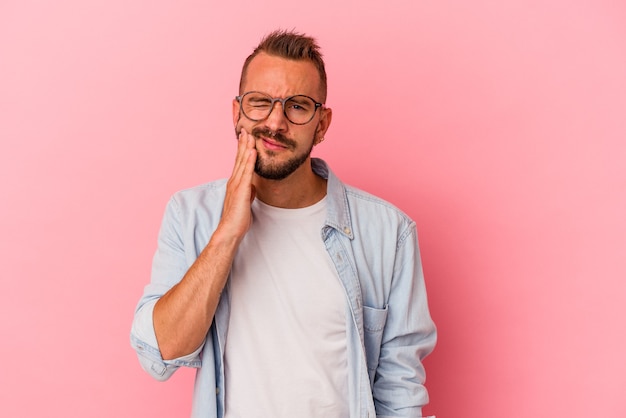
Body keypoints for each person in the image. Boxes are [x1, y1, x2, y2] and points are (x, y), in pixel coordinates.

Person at [131, 29, 437, 418]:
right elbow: (160, 353)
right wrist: (227, 233)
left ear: (321, 124)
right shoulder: (190, 215)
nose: (275, 122)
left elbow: (401, 390)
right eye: (260, 102)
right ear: (236, 112)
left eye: (297, 106)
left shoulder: (388, 234)